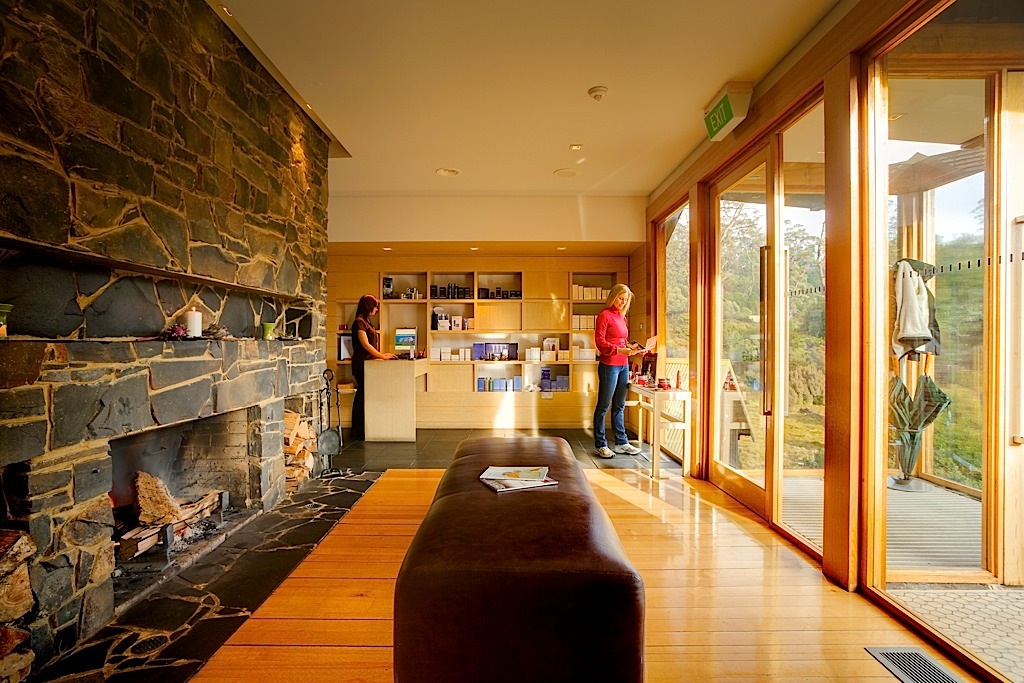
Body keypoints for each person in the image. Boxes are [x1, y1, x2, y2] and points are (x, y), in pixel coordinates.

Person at [593, 284, 645, 458]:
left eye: (626, 300)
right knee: (604, 406)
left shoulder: (622, 317)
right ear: (613, 297)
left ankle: (621, 443)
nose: (623, 302)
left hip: (623, 365)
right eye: (620, 298)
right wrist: (620, 350)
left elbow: (621, 340)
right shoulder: (604, 315)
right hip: (609, 365)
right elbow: (600, 342)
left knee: (619, 405)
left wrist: (632, 347)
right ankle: (601, 444)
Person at [350, 294, 396, 440]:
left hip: (368, 362)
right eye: (375, 306)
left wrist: (381, 355)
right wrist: (381, 356)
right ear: (368, 306)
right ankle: (357, 430)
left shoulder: (366, 322)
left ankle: (361, 429)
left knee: (364, 394)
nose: (376, 309)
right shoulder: (359, 322)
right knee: (362, 395)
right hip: (362, 363)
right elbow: (365, 344)